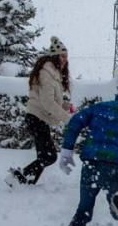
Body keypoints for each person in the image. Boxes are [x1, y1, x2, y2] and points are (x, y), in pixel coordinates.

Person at [58, 80, 118, 226]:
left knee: (84, 205)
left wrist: (67, 149)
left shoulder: (100, 107)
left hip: (91, 163)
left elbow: (76, 121)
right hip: (114, 166)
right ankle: (117, 200)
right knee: (116, 197)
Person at [6, 37, 73, 186]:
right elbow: (47, 102)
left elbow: (49, 101)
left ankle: (26, 182)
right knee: (49, 156)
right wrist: (68, 118)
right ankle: (19, 177)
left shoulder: (53, 73)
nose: (65, 59)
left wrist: (63, 106)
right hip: (36, 117)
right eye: (62, 56)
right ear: (55, 56)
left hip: (39, 118)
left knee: (44, 156)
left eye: (66, 56)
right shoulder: (46, 73)